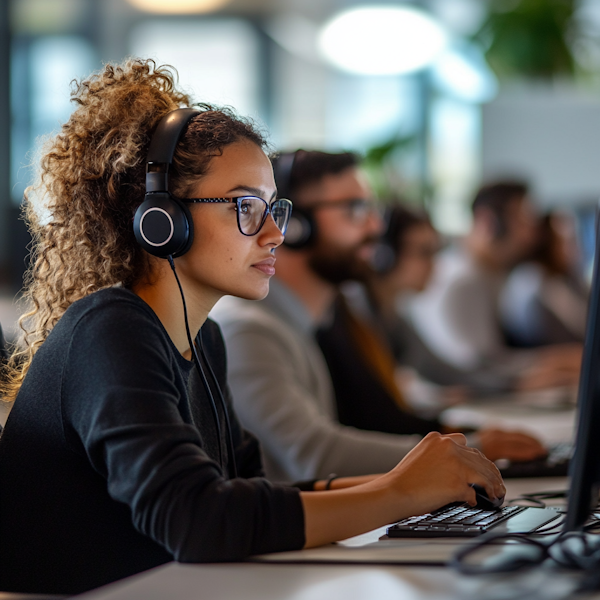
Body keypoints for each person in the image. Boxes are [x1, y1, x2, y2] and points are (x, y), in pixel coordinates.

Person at [0, 60, 504, 596]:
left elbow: (251, 492)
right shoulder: (110, 330)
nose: (273, 234)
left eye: (273, 209)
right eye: (245, 206)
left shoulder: (204, 339)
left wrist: (423, 482)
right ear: (162, 218)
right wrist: (399, 492)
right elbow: (196, 520)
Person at [212, 151, 544, 485]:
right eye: (355, 210)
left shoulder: (308, 324)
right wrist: (466, 450)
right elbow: (315, 455)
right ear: (297, 226)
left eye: (373, 210)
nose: (375, 226)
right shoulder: (249, 330)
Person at [409, 181, 581, 389]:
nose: (531, 235)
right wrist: (556, 362)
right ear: (488, 222)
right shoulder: (463, 282)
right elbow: (475, 366)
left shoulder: (485, 276)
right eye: (521, 220)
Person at [500, 211, 589, 347]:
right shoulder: (533, 281)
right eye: (566, 242)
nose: (575, 250)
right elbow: (582, 328)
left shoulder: (559, 279)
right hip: (554, 359)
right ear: (545, 243)